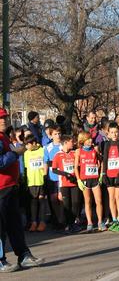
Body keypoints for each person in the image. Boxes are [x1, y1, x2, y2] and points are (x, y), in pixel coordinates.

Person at [0, 107, 43, 273]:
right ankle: (1, 260)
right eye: (1, 118)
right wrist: (15, 153)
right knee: (1, 227)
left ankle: (24, 255)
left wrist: (17, 147)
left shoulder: (4, 137)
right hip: (1, 188)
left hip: (10, 187)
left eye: (5, 118)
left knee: (15, 224)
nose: (4, 120)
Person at [74, 131, 105, 232]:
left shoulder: (95, 149)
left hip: (95, 178)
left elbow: (101, 162)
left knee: (99, 201)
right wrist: (78, 180)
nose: (90, 140)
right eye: (88, 139)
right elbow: (75, 167)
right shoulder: (78, 151)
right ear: (83, 140)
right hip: (85, 179)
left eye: (91, 138)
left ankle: (100, 221)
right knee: (87, 202)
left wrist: (101, 174)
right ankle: (90, 223)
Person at [52, 135, 81, 233]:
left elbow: (79, 165)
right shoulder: (58, 155)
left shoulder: (74, 153)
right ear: (65, 143)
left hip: (74, 183)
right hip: (64, 184)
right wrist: (65, 174)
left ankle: (74, 223)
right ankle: (68, 225)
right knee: (66, 205)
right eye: (71, 142)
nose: (73, 143)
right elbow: (54, 170)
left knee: (75, 203)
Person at [101, 122, 119, 232]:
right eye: (112, 132)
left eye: (116, 132)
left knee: (118, 197)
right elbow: (105, 160)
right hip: (109, 173)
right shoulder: (107, 144)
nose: (114, 134)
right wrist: (103, 173)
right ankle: (114, 219)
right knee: (111, 197)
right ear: (108, 134)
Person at [23, 135, 47, 232]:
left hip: (41, 180)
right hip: (31, 181)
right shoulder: (26, 153)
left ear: (33, 143)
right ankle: (34, 222)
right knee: (33, 202)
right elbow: (26, 168)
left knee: (41, 201)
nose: (26, 147)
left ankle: (42, 222)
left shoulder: (42, 150)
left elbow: (45, 164)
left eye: (28, 144)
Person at [43, 125, 65, 229]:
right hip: (52, 177)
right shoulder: (47, 147)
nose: (58, 136)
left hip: (62, 176)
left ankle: (61, 219)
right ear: (51, 135)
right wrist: (44, 176)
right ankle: (57, 217)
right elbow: (45, 163)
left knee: (61, 198)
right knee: (53, 199)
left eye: (59, 133)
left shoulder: (63, 146)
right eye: (55, 134)